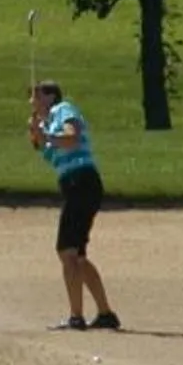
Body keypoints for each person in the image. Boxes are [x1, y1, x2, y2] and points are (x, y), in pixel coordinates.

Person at [27, 81, 119, 331]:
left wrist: (44, 134)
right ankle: (105, 314)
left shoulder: (64, 109)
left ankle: (76, 317)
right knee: (77, 256)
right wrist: (37, 132)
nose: (32, 100)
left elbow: (71, 137)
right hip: (75, 185)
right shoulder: (47, 123)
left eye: (36, 95)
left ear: (51, 96)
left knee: (66, 251)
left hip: (82, 181)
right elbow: (42, 147)